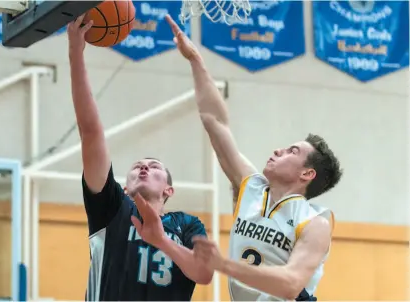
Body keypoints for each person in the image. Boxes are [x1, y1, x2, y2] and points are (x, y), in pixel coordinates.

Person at [136, 15, 343, 301]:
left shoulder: (315, 222)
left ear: (307, 174)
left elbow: (291, 283)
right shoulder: (252, 186)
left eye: (292, 151)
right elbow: (214, 120)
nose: (277, 151)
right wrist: (196, 59)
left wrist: (223, 265)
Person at [67, 15, 213, 301]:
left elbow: (204, 274)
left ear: (169, 190)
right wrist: (75, 53)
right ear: (124, 186)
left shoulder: (187, 225)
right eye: (137, 166)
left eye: (155, 167)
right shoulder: (111, 208)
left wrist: (161, 240)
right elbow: (91, 132)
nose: (145, 167)